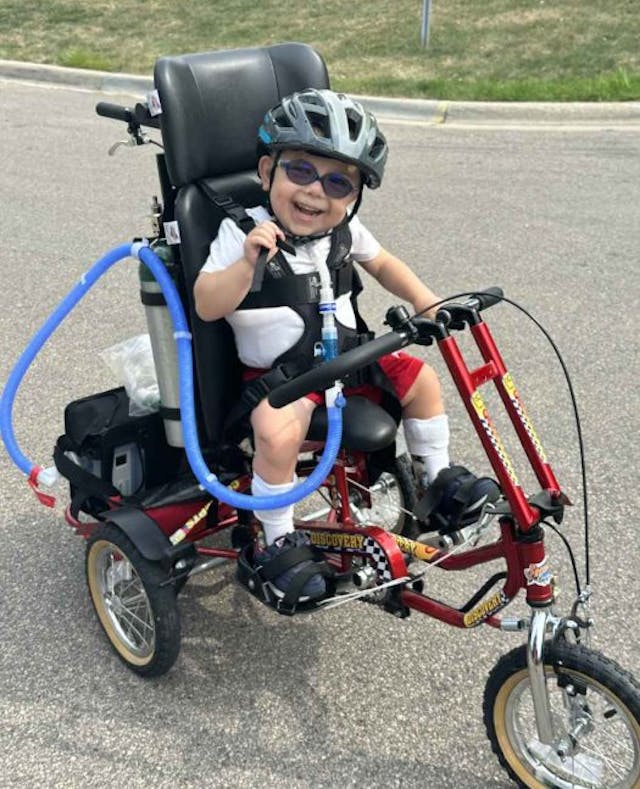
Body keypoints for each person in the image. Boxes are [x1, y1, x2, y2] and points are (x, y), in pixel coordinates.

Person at [194, 89, 496, 606]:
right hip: (283, 381)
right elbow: (205, 305)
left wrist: (427, 302)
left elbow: (385, 265)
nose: (316, 193)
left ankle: (435, 479)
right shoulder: (240, 231)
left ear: (353, 197)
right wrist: (247, 264)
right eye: (300, 172)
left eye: (338, 182)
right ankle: (278, 537)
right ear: (267, 171)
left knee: (421, 380)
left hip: (348, 362)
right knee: (272, 429)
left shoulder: (344, 230)